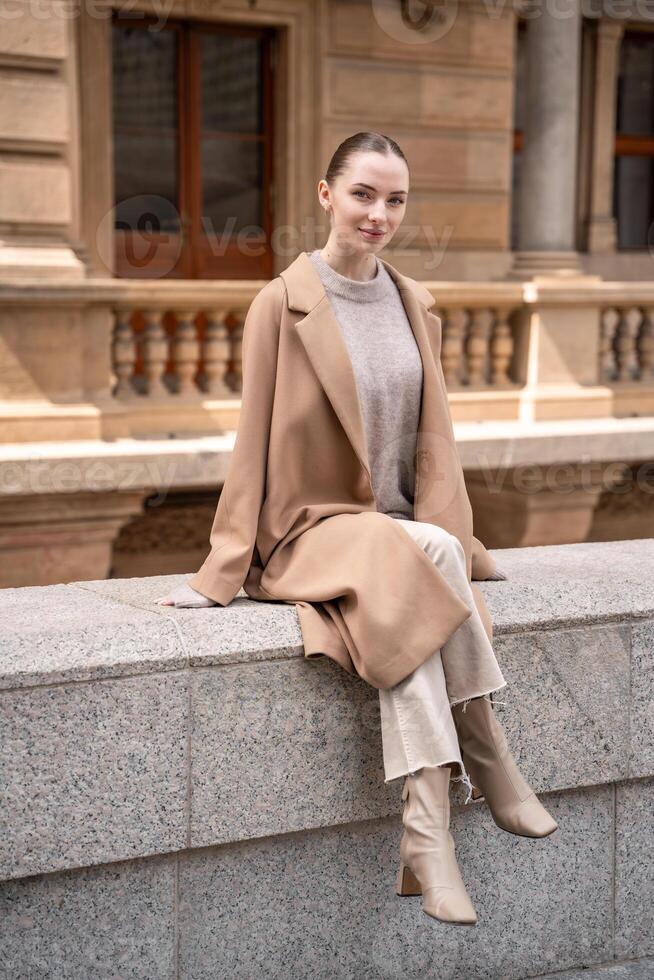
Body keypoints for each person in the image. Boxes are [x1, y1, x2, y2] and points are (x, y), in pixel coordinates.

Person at [155, 131, 558, 925]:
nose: (380, 213)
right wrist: (220, 573)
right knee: (423, 556)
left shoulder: (416, 303)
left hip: (400, 538)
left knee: (426, 556)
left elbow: (434, 438)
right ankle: (488, 754)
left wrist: (461, 537)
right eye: (365, 194)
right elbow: (251, 440)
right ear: (326, 194)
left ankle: (427, 832)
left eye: (396, 199)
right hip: (312, 530)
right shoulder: (282, 302)